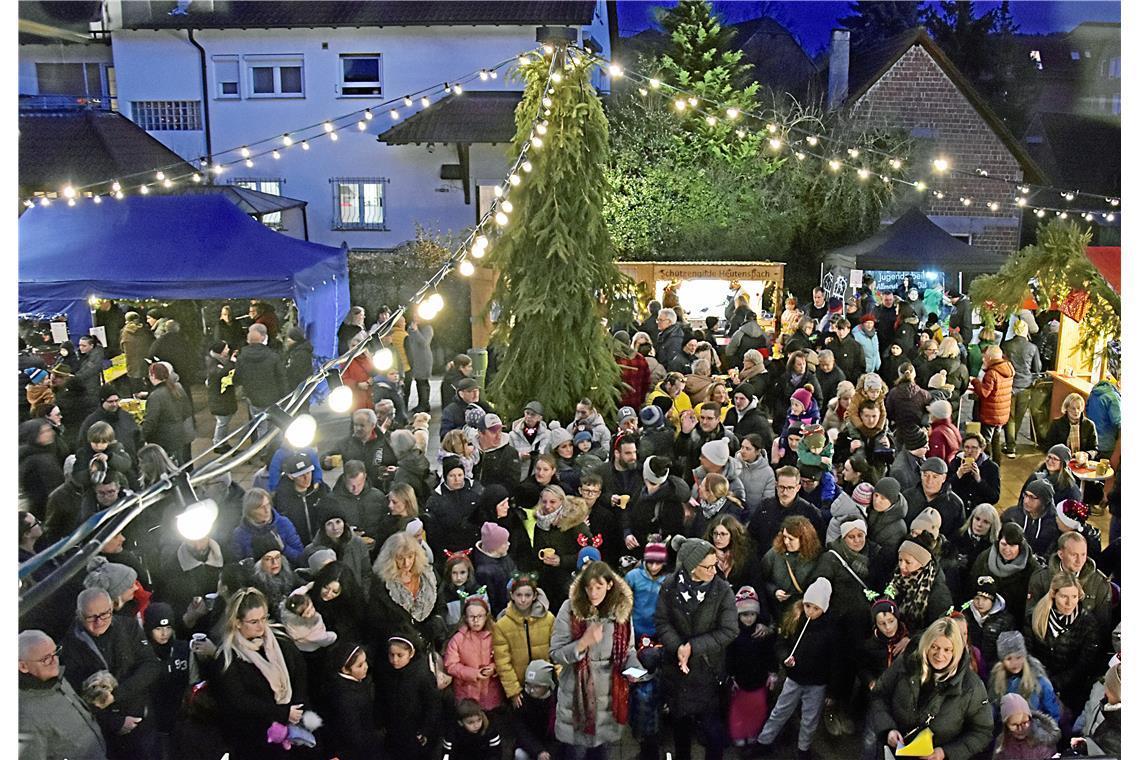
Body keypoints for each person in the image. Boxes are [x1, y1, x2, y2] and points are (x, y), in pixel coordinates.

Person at [655, 537, 737, 760]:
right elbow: (662, 621)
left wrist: (693, 646)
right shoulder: (669, 586)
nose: (714, 571)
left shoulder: (722, 591)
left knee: (712, 731)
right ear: (691, 566)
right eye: (708, 566)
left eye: (715, 565)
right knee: (681, 729)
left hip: (707, 671)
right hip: (678, 672)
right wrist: (678, 646)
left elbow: (729, 630)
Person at [864, 617, 992, 760]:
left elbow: (982, 732)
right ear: (926, 644)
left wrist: (945, 752)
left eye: (947, 650)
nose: (939, 655)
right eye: (934, 647)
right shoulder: (906, 664)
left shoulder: (971, 686)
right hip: (896, 752)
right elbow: (879, 695)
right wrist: (887, 729)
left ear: (956, 651)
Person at [548, 561, 639, 760]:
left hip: (609, 698)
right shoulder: (570, 609)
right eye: (589, 588)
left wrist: (634, 668)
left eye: (599, 587)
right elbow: (555, 653)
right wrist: (582, 644)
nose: (593, 593)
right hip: (576, 698)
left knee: (602, 753)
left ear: (609, 585)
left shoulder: (621, 611)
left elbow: (628, 650)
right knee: (576, 753)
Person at [62, 588, 162, 759]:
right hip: (102, 731)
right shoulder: (70, 644)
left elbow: (151, 666)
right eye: (91, 617)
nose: (99, 621)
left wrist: (117, 694)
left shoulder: (128, 627)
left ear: (112, 608)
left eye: (104, 614)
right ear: (79, 614)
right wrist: (114, 723)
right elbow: (72, 695)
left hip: (140, 720)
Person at [756, 577, 837, 759]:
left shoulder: (832, 630)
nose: (810, 612)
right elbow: (781, 643)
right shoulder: (795, 619)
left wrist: (832, 692)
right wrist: (785, 657)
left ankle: (803, 749)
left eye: (816, 608)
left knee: (810, 719)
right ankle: (764, 741)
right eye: (808, 606)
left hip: (817, 683)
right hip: (794, 678)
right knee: (780, 711)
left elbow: (835, 663)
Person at [18, 628, 108, 760]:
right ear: (23, 666)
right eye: (46, 659)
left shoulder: (56, 677)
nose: (55, 661)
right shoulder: (25, 715)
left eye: (56, 653)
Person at [1024, 571, 1102, 715]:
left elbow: (1084, 664)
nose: (1069, 602)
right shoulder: (1034, 616)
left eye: (1074, 596)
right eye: (1064, 596)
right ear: (1054, 594)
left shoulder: (1087, 622)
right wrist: (1043, 681)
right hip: (1038, 685)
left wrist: (1057, 683)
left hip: (1072, 693)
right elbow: (1028, 652)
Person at [368, 532, 446, 650]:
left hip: (431, 642)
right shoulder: (381, 584)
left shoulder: (429, 574)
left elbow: (441, 605)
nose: (406, 563)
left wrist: (436, 623)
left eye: (410, 556)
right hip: (399, 647)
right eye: (400, 558)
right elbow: (378, 620)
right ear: (390, 558)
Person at [375, 631, 442, 760]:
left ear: (411, 654)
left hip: (415, 732)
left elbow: (433, 705)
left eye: (400, 655)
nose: (394, 660)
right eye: (391, 655)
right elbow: (381, 699)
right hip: (393, 731)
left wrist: (425, 731)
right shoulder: (386, 673)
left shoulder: (422, 675)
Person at [492, 574, 555, 708]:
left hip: (546, 684)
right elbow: (503, 662)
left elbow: (556, 652)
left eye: (527, 595)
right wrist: (513, 691)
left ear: (534, 596)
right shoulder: (502, 625)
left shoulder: (548, 619)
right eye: (519, 595)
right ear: (512, 595)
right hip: (520, 688)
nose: (523, 600)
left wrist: (560, 679)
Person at [322, 641, 384, 760]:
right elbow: (353, 734)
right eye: (359, 665)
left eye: (365, 661)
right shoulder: (345, 697)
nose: (366, 666)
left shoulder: (353, 683)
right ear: (345, 670)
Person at [968, 523, 1036, 624]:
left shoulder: (1031, 568)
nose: (1007, 549)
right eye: (1003, 544)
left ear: (1020, 546)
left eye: (1012, 545)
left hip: (1016, 622)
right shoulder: (984, 559)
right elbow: (971, 588)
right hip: (982, 618)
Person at [445, 596, 505, 712]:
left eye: (480, 616)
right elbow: (451, 665)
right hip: (467, 694)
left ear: (486, 616)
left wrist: (493, 668)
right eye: (472, 617)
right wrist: (474, 673)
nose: (476, 621)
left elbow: (503, 657)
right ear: (465, 618)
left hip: (491, 693)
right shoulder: (458, 639)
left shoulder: (495, 636)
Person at [885, 533, 954, 633]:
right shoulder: (896, 577)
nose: (901, 566)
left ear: (923, 564)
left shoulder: (938, 592)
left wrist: (911, 639)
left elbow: (940, 628)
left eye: (908, 562)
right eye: (900, 560)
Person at [988, 631, 1061, 723]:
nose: (1014, 663)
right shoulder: (996, 680)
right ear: (1002, 661)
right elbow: (992, 711)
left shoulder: (1039, 680)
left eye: (1018, 657)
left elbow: (1052, 714)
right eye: (1009, 659)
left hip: (1035, 732)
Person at [233, 323, 287, 443]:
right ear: (263, 338)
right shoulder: (273, 356)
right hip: (273, 397)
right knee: (276, 425)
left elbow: (237, 378)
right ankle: (276, 450)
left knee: (260, 426)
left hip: (254, 399)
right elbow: (281, 377)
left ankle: (263, 449)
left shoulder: (241, 358)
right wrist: (285, 396)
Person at [231, 487, 305, 566]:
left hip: (287, 574)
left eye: (268, 504)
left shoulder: (283, 523)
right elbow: (238, 565)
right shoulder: (240, 533)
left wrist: (284, 548)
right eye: (261, 507)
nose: (267, 510)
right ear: (250, 511)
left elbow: (300, 557)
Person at [1000, 320, 1041, 457]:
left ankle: (1010, 445)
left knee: (1009, 417)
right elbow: (1038, 368)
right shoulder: (1032, 347)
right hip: (1026, 385)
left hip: (1009, 384)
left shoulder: (1006, 345)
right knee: (1019, 416)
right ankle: (1012, 442)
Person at [140, 361, 194, 465]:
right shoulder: (177, 387)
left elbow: (151, 421)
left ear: (153, 376)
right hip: (179, 434)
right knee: (179, 464)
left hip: (163, 439)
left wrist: (142, 437)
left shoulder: (155, 396)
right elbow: (187, 410)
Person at [971, 345, 1015, 461]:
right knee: (996, 440)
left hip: (991, 413)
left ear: (990, 358)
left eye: (985, 357)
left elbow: (984, 392)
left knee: (986, 442)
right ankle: (997, 464)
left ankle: (986, 464)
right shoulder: (1008, 368)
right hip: (1002, 413)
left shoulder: (992, 373)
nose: (983, 359)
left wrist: (975, 382)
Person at [992, 691, 1061, 760]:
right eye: (1015, 725)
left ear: (1030, 719)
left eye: (1024, 723)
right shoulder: (1002, 744)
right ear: (1006, 724)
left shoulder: (1044, 739)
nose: (1020, 729)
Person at [1002, 479, 1059, 559]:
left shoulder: (1053, 525)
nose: (1026, 501)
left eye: (1032, 497)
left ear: (1044, 501)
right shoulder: (1011, 515)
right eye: (1026, 495)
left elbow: (1050, 554)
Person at [948, 432, 1001, 513]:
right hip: (958, 510)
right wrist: (958, 475)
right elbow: (945, 489)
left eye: (974, 448)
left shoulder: (991, 467)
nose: (970, 451)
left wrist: (979, 480)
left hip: (979, 512)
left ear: (982, 449)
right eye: (966, 447)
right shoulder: (955, 463)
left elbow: (994, 498)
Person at [1084, 378, 1120, 459]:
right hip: (1107, 444)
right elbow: (1118, 422)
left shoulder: (1093, 393)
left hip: (1091, 441)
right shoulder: (1113, 397)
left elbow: (1086, 410)